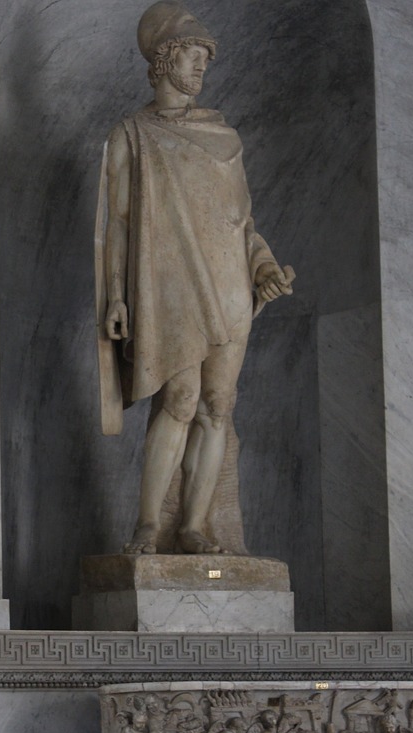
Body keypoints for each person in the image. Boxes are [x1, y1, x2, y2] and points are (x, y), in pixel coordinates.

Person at [95, 1, 292, 554]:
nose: (201, 67)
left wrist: (264, 267)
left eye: (205, 57)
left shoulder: (223, 137)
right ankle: (149, 525)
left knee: (218, 407)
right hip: (170, 285)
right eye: (192, 54)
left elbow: (242, 223)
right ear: (162, 59)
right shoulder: (131, 135)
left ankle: (195, 526)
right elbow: (117, 225)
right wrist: (115, 295)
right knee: (179, 399)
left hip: (229, 284)